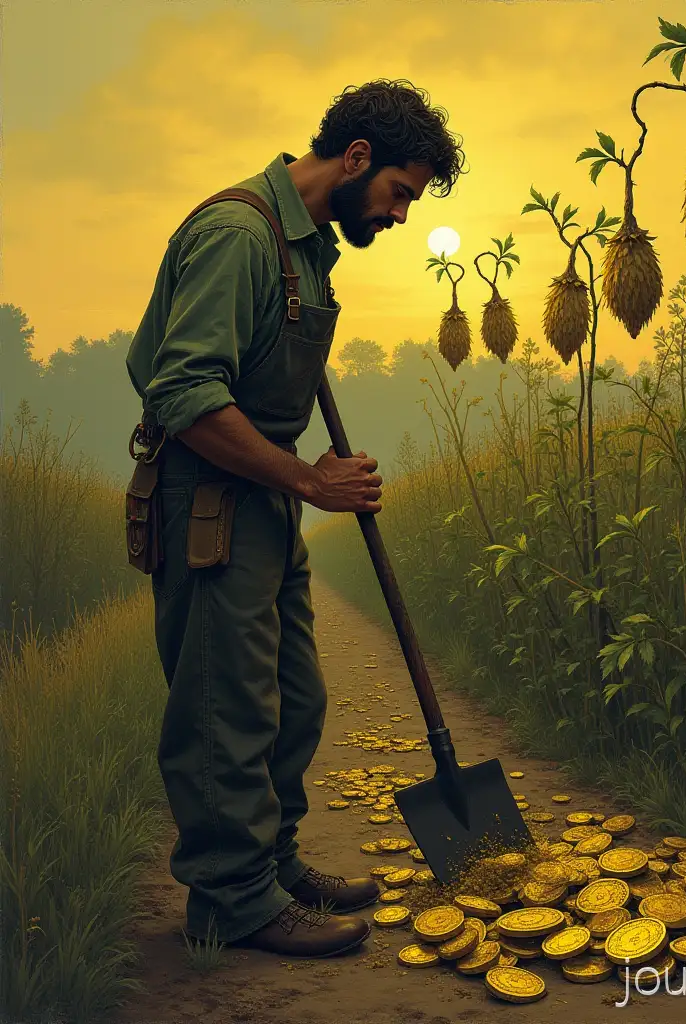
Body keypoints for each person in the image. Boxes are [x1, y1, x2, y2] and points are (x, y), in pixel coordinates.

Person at [125, 80, 467, 958]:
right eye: (399, 193)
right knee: (225, 708)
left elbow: (262, 378)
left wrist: (312, 478)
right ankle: (230, 901)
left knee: (295, 700)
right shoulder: (239, 236)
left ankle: (269, 864)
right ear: (356, 159)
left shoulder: (305, 250)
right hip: (210, 500)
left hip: (265, 497)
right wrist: (312, 484)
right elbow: (184, 391)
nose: (398, 216)